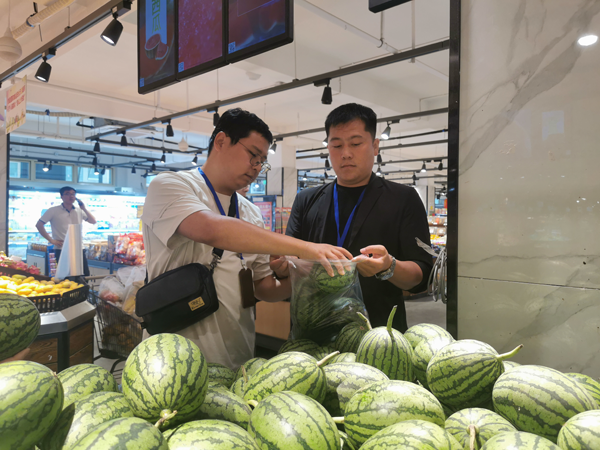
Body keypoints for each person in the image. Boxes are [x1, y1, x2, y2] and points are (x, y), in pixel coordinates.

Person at [141, 108, 351, 369]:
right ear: (221, 141)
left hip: (238, 360)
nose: (257, 167)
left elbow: (263, 288)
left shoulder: (251, 212)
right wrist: (308, 247)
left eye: (262, 161)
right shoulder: (171, 186)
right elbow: (212, 229)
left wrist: (302, 274)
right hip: (173, 362)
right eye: (253, 155)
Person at [286, 103, 434, 332]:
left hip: (378, 334)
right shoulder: (306, 200)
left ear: (375, 146)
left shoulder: (403, 198)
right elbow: (289, 261)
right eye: (336, 145)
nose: (345, 153)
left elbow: (421, 276)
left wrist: (388, 266)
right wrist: (283, 264)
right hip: (313, 330)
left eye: (355, 143)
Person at [36, 186, 97, 276]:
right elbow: (39, 225)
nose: (71, 196)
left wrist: (83, 208)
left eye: (73, 194)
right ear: (61, 196)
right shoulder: (53, 210)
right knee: (64, 276)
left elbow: (93, 221)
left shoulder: (79, 210)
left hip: (79, 248)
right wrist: (51, 240)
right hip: (62, 248)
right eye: (67, 194)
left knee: (84, 275)